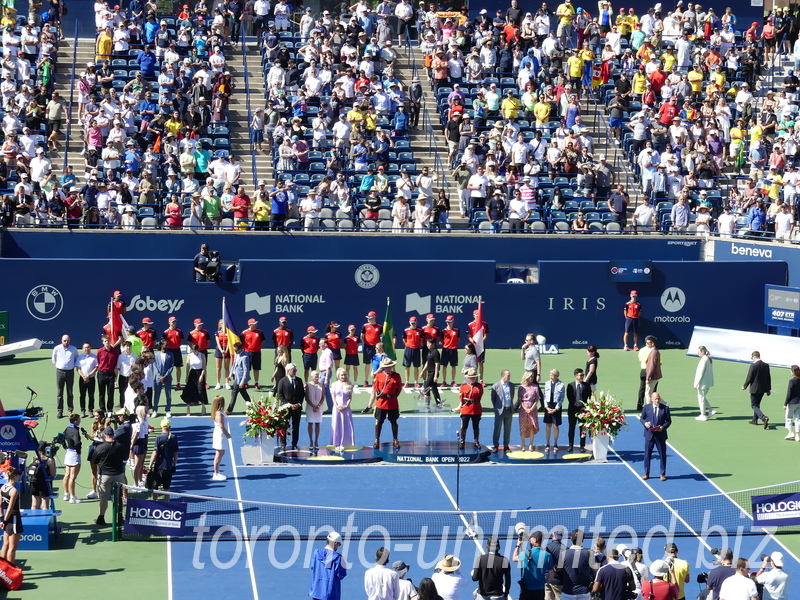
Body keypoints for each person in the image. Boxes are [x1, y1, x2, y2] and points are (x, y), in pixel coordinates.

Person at [91, 425, 127, 526]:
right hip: (118, 475)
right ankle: (120, 518)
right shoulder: (120, 446)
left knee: (103, 498)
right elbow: (124, 457)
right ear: (113, 435)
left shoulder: (100, 447)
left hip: (105, 476)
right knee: (118, 497)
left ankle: (101, 518)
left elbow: (94, 461)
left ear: (104, 435)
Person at [513, 530, 553, 600]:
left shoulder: (526, 553)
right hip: (540, 590)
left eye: (531, 538)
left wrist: (518, 545)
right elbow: (551, 575)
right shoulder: (548, 555)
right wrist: (543, 582)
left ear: (535, 540)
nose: (530, 539)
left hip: (526, 590)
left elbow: (514, 558)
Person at [373, 357, 403, 449]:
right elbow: (375, 387)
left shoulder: (396, 376)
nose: (389, 368)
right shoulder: (379, 376)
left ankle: (395, 440)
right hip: (381, 402)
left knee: (394, 421)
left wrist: (393, 396)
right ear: (384, 368)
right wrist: (378, 394)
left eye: (390, 367)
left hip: (392, 402)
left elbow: (399, 388)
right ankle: (377, 440)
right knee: (379, 421)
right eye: (387, 367)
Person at [558, 529, 596, 600]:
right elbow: (595, 569)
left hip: (567, 592)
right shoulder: (589, 553)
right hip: (584, 592)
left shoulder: (563, 554)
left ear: (571, 539)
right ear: (582, 540)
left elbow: (557, 569)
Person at [641, 392, 671, 481]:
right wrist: (645, 424)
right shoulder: (646, 407)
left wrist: (663, 427)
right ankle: (646, 473)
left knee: (662, 455)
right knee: (647, 455)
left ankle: (662, 474)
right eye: (655, 399)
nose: (657, 400)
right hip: (649, 435)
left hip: (660, 436)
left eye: (658, 398)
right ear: (651, 399)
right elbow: (642, 418)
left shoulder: (665, 408)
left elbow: (668, 421)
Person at [309, 531, 347, 600]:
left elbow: (313, 567)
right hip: (330, 595)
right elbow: (341, 574)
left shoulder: (316, 553)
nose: (338, 546)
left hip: (316, 593)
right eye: (339, 544)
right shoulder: (339, 558)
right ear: (336, 543)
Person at [276, 363, 305, 450]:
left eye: (296, 370)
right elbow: (280, 395)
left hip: (297, 408)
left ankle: (294, 444)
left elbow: (302, 394)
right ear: (288, 371)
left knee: (296, 427)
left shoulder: (299, 380)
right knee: (284, 426)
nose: (295, 372)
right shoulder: (282, 381)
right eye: (294, 370)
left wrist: (298, 404)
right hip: (286, 409)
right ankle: (283, 444)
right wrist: (289, 404)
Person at [149, 418, 179, 499]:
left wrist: (150, 465)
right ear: (169, 426)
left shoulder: (158, 438)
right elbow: (176, 453)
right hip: (169, 467)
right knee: (167, 488)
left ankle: (154, 504)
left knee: (155, 488)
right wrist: (174, 465)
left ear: (161, 426)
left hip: (158, 468)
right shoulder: (174, 437)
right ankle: (166, 505)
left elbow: (155, 453)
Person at [454, 368, 483, 449]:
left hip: (476, 408)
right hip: (466, 408)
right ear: (468, 378)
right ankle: (462, 441)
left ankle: (476, 441)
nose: (472, 379)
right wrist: (460, 406)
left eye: (474, 377)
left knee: (476, 426)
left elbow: (480, 396)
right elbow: (461, 397)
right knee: (464, 426)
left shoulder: (479, 386)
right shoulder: (463, 386)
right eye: (471, 377)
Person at [742, 350, 772, 428]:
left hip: (755, 388)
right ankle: (754, 420)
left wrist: (744, 386)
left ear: (754, 356)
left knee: (754, 405)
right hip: (763, 388)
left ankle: (763, 418)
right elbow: (768, 378)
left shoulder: (753, 366)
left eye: (752, 357)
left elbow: (749, 377)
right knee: (757, 404)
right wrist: (768, 389)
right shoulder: (766, 365)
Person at [0, 467, 22, 567]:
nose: (19, 477)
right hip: (13, 519)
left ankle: (2, 569)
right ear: (15, 476)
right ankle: (9, 569)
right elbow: (10, 508)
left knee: (5, 545)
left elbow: (0, 505)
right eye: (18, 475)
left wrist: (2, 519)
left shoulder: (3, 487)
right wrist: (4, 521)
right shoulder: (14, 491)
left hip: (6, 518)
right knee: (12, 547)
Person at [52, 334, 78, 419]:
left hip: (70, 372)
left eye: (68, 341)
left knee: (70, 392)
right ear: (61, 341)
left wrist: (69, 366)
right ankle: (60, 411)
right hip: (59, 372)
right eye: (65, 341)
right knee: (60, 392)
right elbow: (54, 360)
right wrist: (61, 366)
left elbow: (76, 359)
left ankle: (70, 410)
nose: (66, 342)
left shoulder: (73, 349)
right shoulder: (57, 348)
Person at [63, 413, 86, 503]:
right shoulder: (75, 431)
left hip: (68, 453)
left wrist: (65, 447)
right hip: (74, 454)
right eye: (79, 419)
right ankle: (73, 497)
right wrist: (78, 450)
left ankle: (66, 494)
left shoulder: (67, 428)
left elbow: (60, 437)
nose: (80, 421)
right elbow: (77, 442)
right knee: (72, 476)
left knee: (67, 475)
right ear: (76, 421)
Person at [490, 370, 515, 452]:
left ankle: (506, 446)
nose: (509, 377)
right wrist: (497, 408)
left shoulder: (511, 385)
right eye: (508, 375)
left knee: (507, 429)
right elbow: (493, 399)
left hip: (509, 410)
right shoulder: (496, 386)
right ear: (503, 376)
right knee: (497, 428)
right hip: (499, 411)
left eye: (509, 375)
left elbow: (512, 396)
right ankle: (496, 445)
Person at [566, 368, 590, 453]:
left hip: (582, 410)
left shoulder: (586, 385)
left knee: (582, 428)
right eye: (580, 375)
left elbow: (589, 397)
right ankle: (570, 445)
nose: (582, 377)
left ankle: (582, 446)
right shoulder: (570, 385)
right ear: (575, 376)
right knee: (571, 428)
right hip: (573, 410)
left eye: (583, 375)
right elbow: (569, 397)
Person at [330, 368, 355, 451]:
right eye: (342, 375)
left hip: (346, 409)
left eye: (344, 375)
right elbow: (333, 396)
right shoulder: (334, 385)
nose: (343, 376)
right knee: (336, 425)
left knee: (346, 425)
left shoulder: (349, 384)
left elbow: (350, 398)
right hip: (337, 408)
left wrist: (346, 406)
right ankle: (336, 443)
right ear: (338, 376)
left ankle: (344, 443)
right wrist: (336, 406)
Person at [181, 343, 208, 416]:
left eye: (195, 351)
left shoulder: (202, 355)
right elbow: (188, 366)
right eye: (193, 351)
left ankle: (203, 407)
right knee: (190, 390)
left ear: (198, 350)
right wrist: (186, 376)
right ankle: (188, 408)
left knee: (200, 390)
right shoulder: (189, 355)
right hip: (192, 373)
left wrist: (202, 376)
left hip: (200, 373)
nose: (194, 352)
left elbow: (204, 367)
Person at [518, 371, 541, 451]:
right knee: (523, 427)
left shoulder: (535, 387)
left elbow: (537, 399)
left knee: (532, 426)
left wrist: (532, 408)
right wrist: (525, 408)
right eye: (530, 376)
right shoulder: (521, 387)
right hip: (523, 410)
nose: (531, 378)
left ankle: (531, 444)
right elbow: (520, 400)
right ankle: (523, 444)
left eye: (532, 377)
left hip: (532, 409)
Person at [29, 441, 56, 509]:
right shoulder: (49, 460)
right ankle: (45, 518)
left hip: (34, 482)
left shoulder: (34, 458)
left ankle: (33, 518)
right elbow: (53, 473)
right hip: (45, 483)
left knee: (34, 504)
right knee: (45, 504)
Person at [227, 341, 252, 413]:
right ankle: (251, 408)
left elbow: (245, 370)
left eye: (236, 350)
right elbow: (234, 365)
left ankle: (229, 410)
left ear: (241, 349)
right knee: (244, 393)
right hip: (236, 377)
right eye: (234, 349)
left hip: (240, 379)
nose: (235, 351)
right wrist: (230, 374)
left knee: (234, 393)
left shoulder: (245, 357)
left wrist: (242, 381)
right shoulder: (236, 354)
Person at [543, 369, 564, 452]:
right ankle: (547, 444)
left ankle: (555, 444)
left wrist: (556, 409)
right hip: (548, 406)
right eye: (550, 375)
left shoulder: (561, 385)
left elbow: (561, 398)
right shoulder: (547, 383)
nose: (551, 376)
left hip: (556, 406)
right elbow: (545, 396)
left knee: (555, 426)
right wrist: (546, 407)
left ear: (556, 376)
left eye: (552, 375)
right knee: (548, 425)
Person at [211, 395, 231, 481]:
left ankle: (217, 472)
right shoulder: (219, 413)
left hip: (220, 434)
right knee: (218, 454)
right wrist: (228, 435)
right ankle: (215, 473)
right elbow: (222, 426)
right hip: (220, 435)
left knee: (221, 453)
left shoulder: (220, 412)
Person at [76, 341, 98, 418]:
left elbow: (96, 368)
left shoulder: (94, 357)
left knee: (91, 395)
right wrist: (83, 376)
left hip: (91, 379)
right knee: (82, 395)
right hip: (82, 379)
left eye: (88, 347)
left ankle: (90, 411)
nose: (87, 349)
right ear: (82, 348)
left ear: (90, 348)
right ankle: (83, 410)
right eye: (85, 347)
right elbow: (78, 368)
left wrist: (88, 375)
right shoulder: (80, 357)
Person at [694, 346, 715, 421]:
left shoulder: (704, 360)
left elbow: (700, 373)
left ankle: (703, 415)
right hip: (707, 383)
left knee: (701, 398)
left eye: (699, 351)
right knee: (702, 397)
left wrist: (696, 383)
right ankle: (710, 410)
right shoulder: (707, 359)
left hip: (703, 383)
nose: (698, 353)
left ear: (703, 351)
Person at [130, 404, 149, 487]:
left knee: (141, 464)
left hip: (144, 440)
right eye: (145, 411)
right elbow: (135, 435)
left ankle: (140, 479)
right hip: (139, 443)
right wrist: (131, 445)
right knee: (137, 465)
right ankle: (135, 484)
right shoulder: (137, 422)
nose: (147, 412)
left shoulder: (145, 419)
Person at [420, 337, 442, 408]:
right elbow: (427, 362)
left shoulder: (436, 352)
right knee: (434, 389)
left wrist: (435, 376)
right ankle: (438, 403)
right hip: (429, 372)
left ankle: (427, 404)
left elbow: (437, 365)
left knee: (426, 388)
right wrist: (422, 371)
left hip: (433, 373)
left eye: (428, 344)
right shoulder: (430, 352)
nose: (427, 345)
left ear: (433, 344)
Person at [306, 370, 324, 450]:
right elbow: (306, 398)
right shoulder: (308, 385)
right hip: (310, 407)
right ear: (312, 377)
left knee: (317, 424)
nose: (317, 377)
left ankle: (316, 441)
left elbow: (323, 397)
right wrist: (313, 406)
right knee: (310, 424)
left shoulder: (321, 385)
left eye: (318, 375)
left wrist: (318, 406)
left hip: (319, 408)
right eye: (315, 376)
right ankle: (311, 441)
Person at [643, 335, 662, 403]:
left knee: (648, 393)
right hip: (654, 376)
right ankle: (666, 404)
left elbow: (652, 366)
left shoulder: (654, 352)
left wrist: (648, 378)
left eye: (648, 343)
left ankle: (649, 409)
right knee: (651, 393)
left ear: (652, 343)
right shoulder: (654, 351)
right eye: (646, 342)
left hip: (653, 376)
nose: (646, 344)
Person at [784, 365, 800, 442]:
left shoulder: (792, 381)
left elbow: (789, 393)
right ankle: (797, 435)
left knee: (788, 417)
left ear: (793, 372)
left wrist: (785, 404)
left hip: (792, 402)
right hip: (799, 402)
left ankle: (790, 432)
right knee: (797, 419)